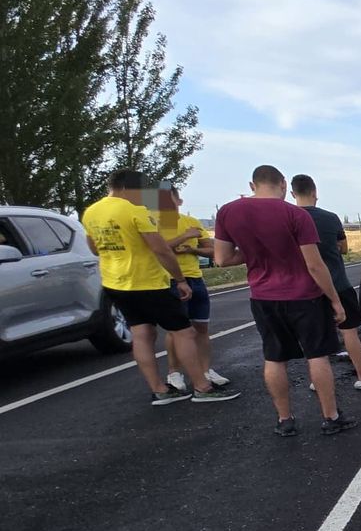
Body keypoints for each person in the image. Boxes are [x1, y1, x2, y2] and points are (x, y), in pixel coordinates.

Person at [212, 165, 356, 437]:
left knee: (274, 357)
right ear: (281, 185)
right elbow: (314, 265)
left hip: (264, 297)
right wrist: (335, 300)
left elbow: (222, 259)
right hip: (305, 297)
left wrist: (255, 253)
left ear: (253, 185)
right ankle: (330, 416)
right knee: (317, 355)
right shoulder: (295, 214)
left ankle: (285, 419)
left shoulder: (228, 212)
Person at [80, 170, 241, 406]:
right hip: (148, 281)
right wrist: (180, 279)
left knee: (141, 334)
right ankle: (202, 387)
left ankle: (160, 390)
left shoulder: (92, 212)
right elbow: (160, 250)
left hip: (115, 282)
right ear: (128, 188)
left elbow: (94, 249)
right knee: (183, 332)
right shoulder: (135, 211)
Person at [290, 174, 361, 390]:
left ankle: (319, 380)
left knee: (315, 336)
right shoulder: (330, 218)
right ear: (315, 192)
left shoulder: (288, 219)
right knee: (349, 330)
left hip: (306, 290)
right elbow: (343, 248)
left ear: (292, 193)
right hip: (338, 284)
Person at [156, 186, 229, 390]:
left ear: (179, 202)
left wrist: (194, 248)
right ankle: (174, 373)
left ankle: (206, 371)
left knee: (201, 328)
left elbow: (211, 250)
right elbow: (157, 249)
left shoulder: (192, 222)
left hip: (195, 279)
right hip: (170, 280)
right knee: (176, 330)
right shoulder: (153, 224)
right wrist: (185, 237)